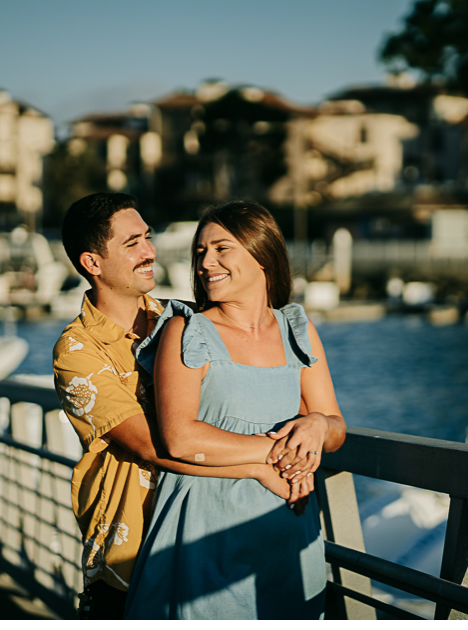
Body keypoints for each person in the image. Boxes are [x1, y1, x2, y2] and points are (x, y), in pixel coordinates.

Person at [54, 193, 298, 619]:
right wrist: (267, 460)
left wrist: (313, 422)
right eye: (132, 244)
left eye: (148, 238)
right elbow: (155, 446)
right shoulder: (77, 350)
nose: (150, 252)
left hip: (208, 534)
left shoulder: (181, 318)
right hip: (132, 550)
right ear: (93, 263)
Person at [123, 199, 346, 620]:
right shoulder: (186, 330)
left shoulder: (297, 329)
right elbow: (180, 436)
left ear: (262, 255)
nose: (207, 262)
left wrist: (317, 424)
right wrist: (276, 453)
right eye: (201, 251)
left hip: (287, 528)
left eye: (222, 248)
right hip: (206, 527)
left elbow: (336, 427)